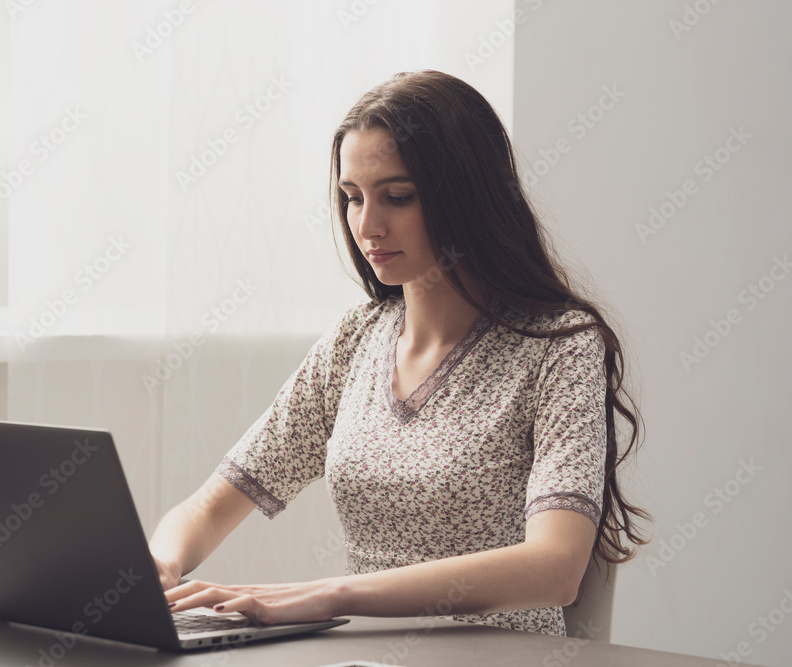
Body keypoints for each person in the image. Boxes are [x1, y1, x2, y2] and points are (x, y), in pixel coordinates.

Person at [148, 69, 649, 636]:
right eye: (352, 198)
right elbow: (210, 507)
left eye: (398, 197)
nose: (367, 226)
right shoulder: (356, 340)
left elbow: (554, 569)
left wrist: (325, 595)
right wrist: (158, 567)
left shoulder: (559, 346)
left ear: (468, 196)